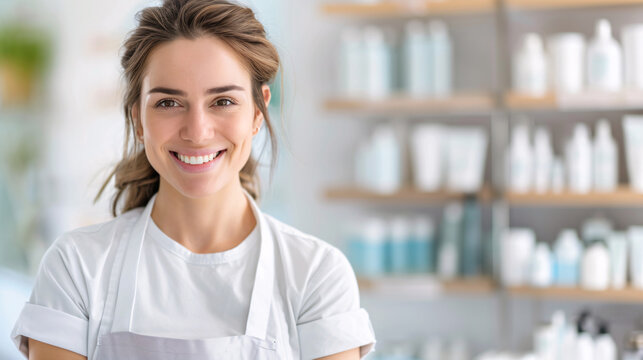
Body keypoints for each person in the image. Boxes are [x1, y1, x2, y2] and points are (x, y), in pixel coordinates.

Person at [10, 0, 376, 359]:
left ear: (258, 112)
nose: (197, 132)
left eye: (223, 101)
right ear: (138, 119)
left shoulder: (316, 274)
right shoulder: (77, 267)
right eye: (169, 102)